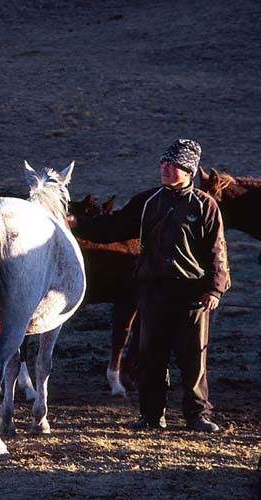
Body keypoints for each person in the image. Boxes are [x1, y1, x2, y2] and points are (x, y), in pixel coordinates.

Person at [71, 139, 230, 432]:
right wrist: (74, 224)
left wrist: (215, 288)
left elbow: (217, 251)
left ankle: (197, 415)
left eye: (173, 165)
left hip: (193, 295)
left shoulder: (204, 206)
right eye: (163, 163)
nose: (165, 168)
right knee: (150, 358)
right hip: (153, 292)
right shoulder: (147, 202)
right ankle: (152, 415)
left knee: (193, 359)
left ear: (190, 170)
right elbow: (113, 228)